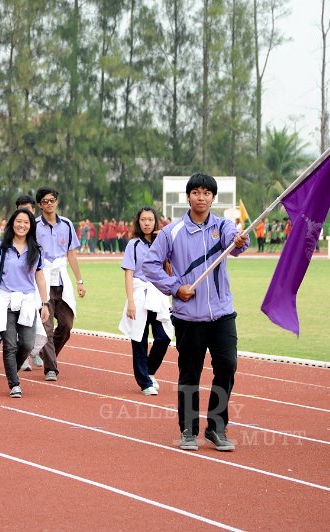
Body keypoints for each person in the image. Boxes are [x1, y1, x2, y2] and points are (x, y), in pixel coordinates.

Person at [143, 172, 249, 452]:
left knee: (227, 366)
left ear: (213, 198)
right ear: (188, 197)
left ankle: (216, 427)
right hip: (189, 316)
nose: (201, 198)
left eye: (206, 193)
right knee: (190, 373)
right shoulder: (172, 232)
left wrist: (239, 241)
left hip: (223, 314)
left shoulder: (223, 226)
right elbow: (151, 264)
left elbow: (235, 242)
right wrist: (175, 288)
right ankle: (188, 429)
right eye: (196, 193)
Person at [0, 209, 50, 399]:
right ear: (12, 223)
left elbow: (40, 278)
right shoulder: (2, 248)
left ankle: (11, 368)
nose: (22, 225)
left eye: (26, 222)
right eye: (18, 221)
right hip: (6, 300)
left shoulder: (36, 250)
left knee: (27, 343)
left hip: (27, 301)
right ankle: (14, 383)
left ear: (31, 226)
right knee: (9, 345)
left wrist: (45, 303)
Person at [33, 187, 86, 381]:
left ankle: (45, 353)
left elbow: (71, 253)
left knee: (66, 324)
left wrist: (80, 281)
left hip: (61, 280)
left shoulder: (67, 224)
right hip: (42, 280)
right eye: (45, 201)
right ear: (39, 205)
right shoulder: (34, 225)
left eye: (52, 200)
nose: (49, 203)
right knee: (46, 325)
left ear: (56, 201)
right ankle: (51, 368)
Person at [118, 207, 173, 395]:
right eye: (143, 220)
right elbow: (128, 273)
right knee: (139, 340)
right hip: (140, 294)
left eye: (150, 219)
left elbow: (170, 271)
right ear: (138, 222)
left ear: (155, 222)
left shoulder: (162, 243)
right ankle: (144, 383)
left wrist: (164, 237)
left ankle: (149, 371)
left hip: (158, 294)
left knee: (164, 337)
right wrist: (130, 302)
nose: (147, 223)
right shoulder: (133, 244)